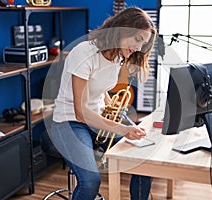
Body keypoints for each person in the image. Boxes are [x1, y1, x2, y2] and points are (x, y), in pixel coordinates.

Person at [49, 7, 157, 200]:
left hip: (97, 118)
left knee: (143, 161)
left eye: (144, 44)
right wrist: (122, 129)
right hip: (69, 121)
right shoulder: (84, 53)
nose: (139, 48)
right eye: (138, 39)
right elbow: (81, 112)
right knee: (90, 181)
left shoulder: (118, 55)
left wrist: (111, 105)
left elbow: (99, 85)